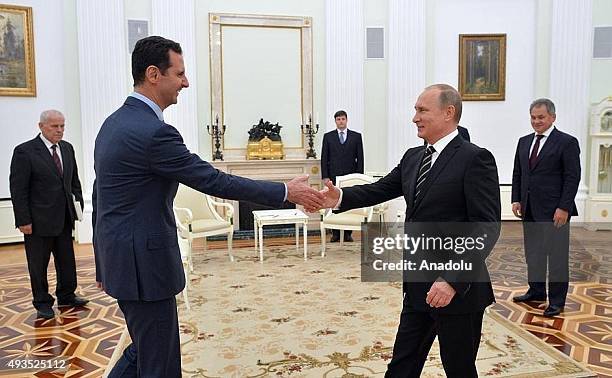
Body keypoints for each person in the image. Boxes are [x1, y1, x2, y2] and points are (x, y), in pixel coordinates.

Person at [93, 36, 324, 377]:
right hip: (144, 265)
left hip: (121, 260)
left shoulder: (112, 124)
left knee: (144, 351)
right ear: (154, 74)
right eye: (180, 73)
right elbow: (214, 181)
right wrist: (285, 191)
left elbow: (101, 198)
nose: (185, 83)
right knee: (160, 362)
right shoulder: (154, 133)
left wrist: (103, 262)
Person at [318, 84, 500, 377]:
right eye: (415, 110)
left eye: (422, 110)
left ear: (449, 112)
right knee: (402, 366)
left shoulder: (475, 158)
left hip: (458, 290)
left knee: (459, 369)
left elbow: (486, 227)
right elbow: (379, 189)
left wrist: (451, 280)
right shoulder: (413, 157)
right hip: (418, 285)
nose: (414, 117)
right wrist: (339, 197)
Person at [9, 110, 88, 320]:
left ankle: (66, 295)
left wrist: (77, 205)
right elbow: (18, 189)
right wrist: (23, 220)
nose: (60, 130)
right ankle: (42, 302)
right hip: (37, 222)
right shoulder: (25, 152)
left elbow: (74, 182)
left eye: (62, 126)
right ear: (41, 126)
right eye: (55, 126)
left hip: (63, 218)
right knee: (38, 264)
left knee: (67, 261)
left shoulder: (67, 148)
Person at [511, 98, 580, 317]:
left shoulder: (567, 142)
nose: (536, 121)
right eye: (533, 117)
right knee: (534, 254)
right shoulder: (523, 141)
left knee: (557, 258)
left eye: (541, 117)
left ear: (552, 117)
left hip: (555, 212)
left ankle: (557, 301)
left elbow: (572, 177)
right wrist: (516, 199)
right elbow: (518, 173)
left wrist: (564, 207)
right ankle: (537, 291)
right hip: (529, 208)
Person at [320, 110, 364, 242]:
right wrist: (325, 177)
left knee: (348, 201)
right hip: (333, 176)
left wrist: (359, 176)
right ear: (335, 121)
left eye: (343, 119)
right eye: (338, 119)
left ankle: (347, 234)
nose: (341, 121)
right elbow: (324, 158)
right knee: (334, 203)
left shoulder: (356, 136)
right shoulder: (328, 137)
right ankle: (335, 233)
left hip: (351, 176)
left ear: (346, 120)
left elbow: (360, 158)